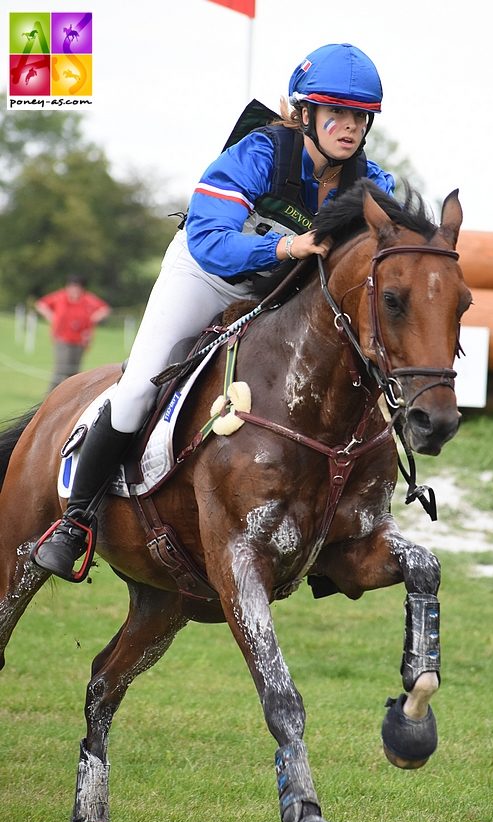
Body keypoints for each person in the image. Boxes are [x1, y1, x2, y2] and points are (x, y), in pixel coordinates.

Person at [32, 42, 395, 580]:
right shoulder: (260, 154)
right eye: (335, 111)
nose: (349, 126)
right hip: (205, 277)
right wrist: (284, 248)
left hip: (274, 297)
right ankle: (76, 521)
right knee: (137, 389)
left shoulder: (372, 184)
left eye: (359, 116)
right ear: (306, 114)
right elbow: (208, 240)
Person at [35, 276, 111, 391]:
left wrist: (93, 319)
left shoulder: (87, 299)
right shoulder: (60, 297)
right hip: (62, 339)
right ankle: (51, 395)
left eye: (77, 288)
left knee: (74, 371)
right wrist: (50, 316)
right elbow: (41, 304)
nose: (74, 291)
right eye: (72, 287)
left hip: (80, 340)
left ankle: (70, 396)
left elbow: (105, 309)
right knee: (61, 368)